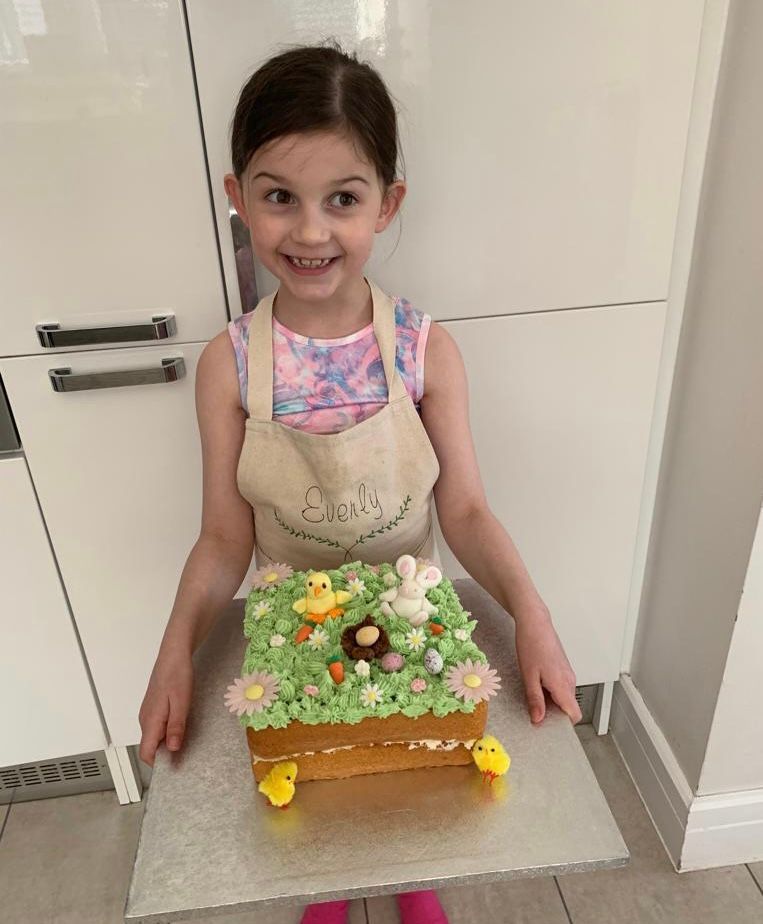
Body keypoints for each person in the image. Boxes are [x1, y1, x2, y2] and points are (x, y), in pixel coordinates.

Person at [138, 42, 582, 924]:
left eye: (342, 199)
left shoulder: (426, 350)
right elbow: (224, 539)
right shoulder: (228, 369)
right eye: (279, 198)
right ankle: (325, 890)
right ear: (238, 199)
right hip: (292, 641)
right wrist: (173, 655)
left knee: (409, 765)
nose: (309, 232)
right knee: (317, 784)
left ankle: (415, 883)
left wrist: (532, 616)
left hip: (413, 630)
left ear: (387, 203)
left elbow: (462, 508)